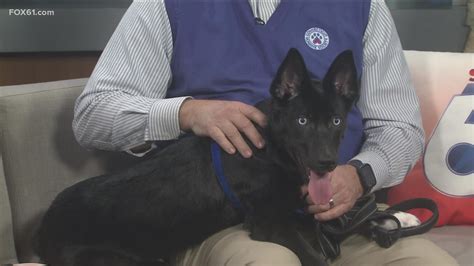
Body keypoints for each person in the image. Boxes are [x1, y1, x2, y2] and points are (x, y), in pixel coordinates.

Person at [73, 0, 458, 265]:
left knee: (428, 261)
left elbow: (400, 128)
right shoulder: (166, 5)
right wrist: (186, 112)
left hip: (337, 217)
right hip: (226, 220)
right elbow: (92, 114)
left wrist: (360, 174)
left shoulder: (362, 6)